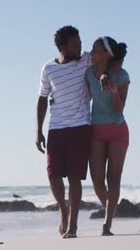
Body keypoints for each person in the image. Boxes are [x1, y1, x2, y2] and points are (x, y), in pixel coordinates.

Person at [36, 25, 91, 238]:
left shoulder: (86, 60)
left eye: (80, 43)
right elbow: (42, 99)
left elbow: (107, 53)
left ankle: (73, 225)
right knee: (53, 175)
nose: (80, 48)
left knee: (75, 178)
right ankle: (63, 211)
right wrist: (38, 130)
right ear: (63, 47)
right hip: (56, 128)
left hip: (80, 127)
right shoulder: (48, 68)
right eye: (75, 45)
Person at [85, 36, 130, 236]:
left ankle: (107, 223)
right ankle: (110, 207)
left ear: (106, 54)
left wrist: (113, 91)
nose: (91, 53)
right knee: (96, 179)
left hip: (117, 129)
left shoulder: (121, 75)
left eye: (95, 50)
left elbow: (119, 108)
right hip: (96, 130)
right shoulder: (88, 73)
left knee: (113, 178)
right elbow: (84, 97)